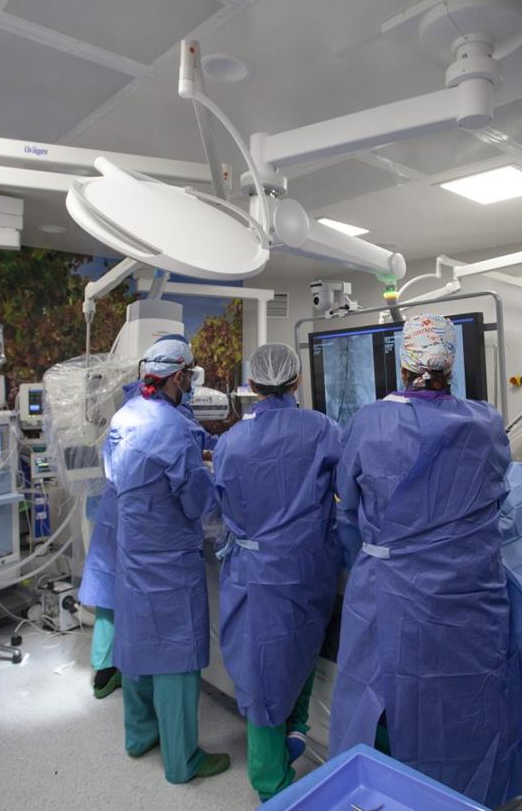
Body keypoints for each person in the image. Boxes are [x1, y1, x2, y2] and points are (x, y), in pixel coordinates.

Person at [328, 314, 522, 807]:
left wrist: (381, 553)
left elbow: (348, 511)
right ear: (450, 364)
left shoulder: (369, 422)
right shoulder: (484, 422)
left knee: (387, 707)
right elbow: (497, 496)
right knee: (466, 709)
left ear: (403, 364)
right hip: (469, 598)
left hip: (389, 596)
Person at [212, 343, 343, 801]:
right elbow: (346, 489)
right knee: (302, 646)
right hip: (309, 567)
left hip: (255, 571)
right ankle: (285, 752)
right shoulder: (323, 429)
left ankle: (276, 764)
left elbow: (222, 506)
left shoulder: (229, 443)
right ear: (297, 381)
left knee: (263, 667)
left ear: (251, 386)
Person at [105, 338, 230, 783]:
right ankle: (183, 761)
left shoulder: (125, 416)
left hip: (134, 550)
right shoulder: (174, 432)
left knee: (137, 646)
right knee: (176, 658)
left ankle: (140, 738)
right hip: (170, 558)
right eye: (191, 376)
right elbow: (197, 501)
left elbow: (120, 478)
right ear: (179, 376)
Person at [79, 483, 122, 698]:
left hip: (118, 509)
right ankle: (110, 668)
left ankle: (106, 667)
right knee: (110, 590)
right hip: (135, 515)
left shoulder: (118, 449)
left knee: (109, 590)